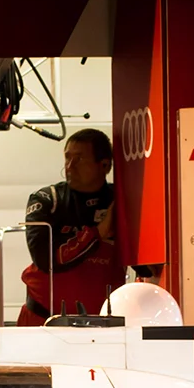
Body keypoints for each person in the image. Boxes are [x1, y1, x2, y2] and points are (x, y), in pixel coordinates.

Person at [19, 128, 122, 324]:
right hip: (42, 319)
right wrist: (98, 232)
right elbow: (46, 259)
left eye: (79, 159)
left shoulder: (122, 200)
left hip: (103, 323)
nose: (69, 166)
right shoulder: (47, 199)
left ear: (104, 165)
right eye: (67, 157)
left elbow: (146, 267)